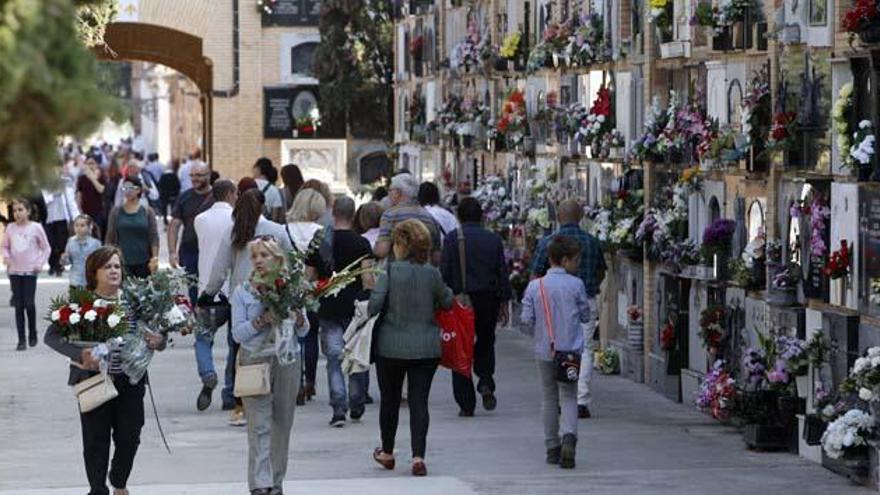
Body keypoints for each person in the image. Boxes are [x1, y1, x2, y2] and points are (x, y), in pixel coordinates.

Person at [45, 246, 166, 495]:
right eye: (107, 266)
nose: (114, 271)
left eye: (117, 266)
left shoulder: (135, 299)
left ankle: (118, 479)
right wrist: (80, 354)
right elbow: (52, 337)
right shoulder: (81, 303)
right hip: (93, 379)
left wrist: (159, 340)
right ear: (94, 272)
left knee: (130, 436)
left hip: (130, 380)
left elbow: (158, 334)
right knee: (95, 440)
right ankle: (97, 489)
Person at [369, 219, 453, 477]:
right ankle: (418, 457)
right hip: (426, 347)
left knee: (390, 401)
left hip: (390, 347)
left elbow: (374, 305)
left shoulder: (390, 272)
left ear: (400, 244)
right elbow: (447, 302)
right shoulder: (432, 273)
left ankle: (388, 452)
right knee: (419, 402)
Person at [202, 189, 293, 425]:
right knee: (275, 345)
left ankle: (240, 402)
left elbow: (220, 269)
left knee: (241, 351)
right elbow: (291, 262)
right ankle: (273, 394)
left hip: (242, 299)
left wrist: (208, 293)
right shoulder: (277, 230)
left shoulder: (234, 233)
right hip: (275, 294)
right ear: (263, 206)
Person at [231, 237, 309, 495]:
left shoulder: (291, 288)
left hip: (287, 358)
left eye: (265, 255)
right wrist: (262, 320)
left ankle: (276, 482)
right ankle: (259, 483)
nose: (259, 260)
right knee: (259, 424)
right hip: (255, 360)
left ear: (277, 259)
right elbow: (237, 335)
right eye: (255, 256)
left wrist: (297, 318)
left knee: (282, 423)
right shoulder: (243, 292)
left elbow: (305, 329)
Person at [529, 199, 606, 419]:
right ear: (581, 217)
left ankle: (561, 395)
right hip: (586, 300)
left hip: (553, 303)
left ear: (558, 217)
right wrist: (590, 285)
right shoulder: (591, 241)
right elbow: (601, 270)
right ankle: (581, 400)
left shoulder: (548, 242)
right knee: (586, 349)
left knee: (557, 345)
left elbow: (535, 274)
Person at [521, 236, 590, 469]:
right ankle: (569, 437)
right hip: (570, 351)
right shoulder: (577, 284)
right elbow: (586, 315)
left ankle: (552, 447)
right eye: (576, 260)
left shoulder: (535, 286)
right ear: (565, 259)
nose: (578, 264)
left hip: (544, 350)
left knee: (549, 397)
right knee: (569, 395)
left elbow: (526, 320)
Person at [306, 196, 374, 427]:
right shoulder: (361, 243)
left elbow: (310, 275)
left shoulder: (321, 241)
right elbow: (367, 278)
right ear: (353, 214)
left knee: (334, 358)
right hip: (354, 308)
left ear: (333, 213)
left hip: (328, 306)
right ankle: (357, 401)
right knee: (356, 356)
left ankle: (338, 407)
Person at [440, 197, 512, 416]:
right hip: (488, 299)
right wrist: (504, 302)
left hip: (461, 301)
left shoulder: (453, 239)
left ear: (459, 217)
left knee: (460, 347)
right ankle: (486, 379)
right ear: (481, 216)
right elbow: (502, 272)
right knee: (486, 340)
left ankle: (466, 402)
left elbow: (444, 273)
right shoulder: (493, 240)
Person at [192, 180, 237, 412]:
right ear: (230, 194)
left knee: (203, 339)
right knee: (234, 344)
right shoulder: (237, 220)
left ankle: (208, 373)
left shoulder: (200, 220)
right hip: (234, 291)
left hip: (207, 291)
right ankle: (230, 392)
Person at [284, 189, 327, 405]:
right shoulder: (321, 232)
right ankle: (310, 381)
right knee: (311, 336)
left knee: (292, 335)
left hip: (289, 287)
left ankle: (296, 383)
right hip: (313, 288)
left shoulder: (285, 230)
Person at [1, 198, 50, 350]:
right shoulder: (10, 228)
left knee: (29, 304)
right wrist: (7, 258)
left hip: (30, 271)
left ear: (28, 211)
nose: (17, 213)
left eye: (21, 210)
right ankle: (21, 339)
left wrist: (39, 263)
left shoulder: (36, 228)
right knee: (18, 306)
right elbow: (5, 247)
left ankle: (32, 331)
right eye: (15, 211)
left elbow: (46, 248)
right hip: (15, 271)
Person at [168, 161, 214, 301]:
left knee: (213, 289)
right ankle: (198, 318)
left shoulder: (218, 196)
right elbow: (174, 225)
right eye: (192, 175)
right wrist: (172, 252)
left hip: (212, 252)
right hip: (190, 252)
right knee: (193, 291)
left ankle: (211, 319)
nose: (194, 179)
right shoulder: (184, 197)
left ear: (208, 175)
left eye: (199, 175)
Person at [373, 173, 441, 262]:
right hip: (423, 272)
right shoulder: (430, 218)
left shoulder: (390, 215)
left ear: (398, 193)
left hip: (397, 273)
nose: (388, 194)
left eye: (390, 190)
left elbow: (382, 251)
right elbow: (436, 257)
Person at [105, 177, 159, 279]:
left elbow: (153, 236)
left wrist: (154, 258)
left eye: (130, 188)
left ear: (138, 190)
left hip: (144, 261)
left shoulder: (147, 211)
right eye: (124, 188)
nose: (127, 191)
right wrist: (108, 257)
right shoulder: (116, 212)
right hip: (122, 262)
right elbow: (110, 236)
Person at [44, 169, 80, 276]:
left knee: (61, 243)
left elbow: (71, 201)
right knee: (50, 243)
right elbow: (46, 200)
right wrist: (54, 192)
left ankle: (59, 266)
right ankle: (52, 264)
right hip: (49, 218)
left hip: (62, 218)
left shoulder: (65, 183)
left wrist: (77, 217)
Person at [63, 214, 102, 290]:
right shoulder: (70, 241)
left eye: (82, 225)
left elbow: (100, 262)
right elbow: (68, 262)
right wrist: (64, 258)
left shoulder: (96, 243)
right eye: (76, 225)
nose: (79, 228)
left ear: (89, 227)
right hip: (74, 280)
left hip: (89, 280)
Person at [76, 156, 107, 239]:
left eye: (92, 163)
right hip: (85, 211)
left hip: (98, 211)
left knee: (97, 233)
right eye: (88, 163)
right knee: (86, 234)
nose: (90, 166)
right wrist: (79, 208)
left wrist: (93, 178)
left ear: (96, 165)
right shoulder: (81, 178)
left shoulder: (101, 177)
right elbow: (79, 194)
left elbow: (101, 190)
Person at [252, 157, 285, 223]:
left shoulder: (248, 185)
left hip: (249, 227)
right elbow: (275, 217)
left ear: (258, 169)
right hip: (266, 227)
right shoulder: (274, 190)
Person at [158, 159, 181, 226]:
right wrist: (176, 193)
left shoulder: (163, 176)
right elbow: (178, 186)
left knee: (164, 208)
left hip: (164, 195)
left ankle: (165, 220)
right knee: (173, 208)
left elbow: (160, 186)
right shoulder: (174, 175)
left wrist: (161, 193)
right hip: (173, 195)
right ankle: (172, 220)